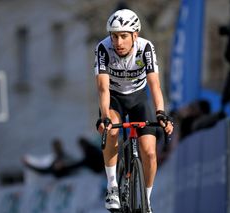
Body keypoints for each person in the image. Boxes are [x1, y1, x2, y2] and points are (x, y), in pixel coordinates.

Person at [94, 9, 173, 212]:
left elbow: (155, 85)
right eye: (114, 36)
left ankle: (146, 201)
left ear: (135, 35)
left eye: (123, 36)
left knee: (149, 152)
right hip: (114, 98)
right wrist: (104, 116)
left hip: (138, 98)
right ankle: (112, 186)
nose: (118, 42)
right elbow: (103, 88)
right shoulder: (103, 48)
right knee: (111, 131)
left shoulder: (146, 48)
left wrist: (161, 113)